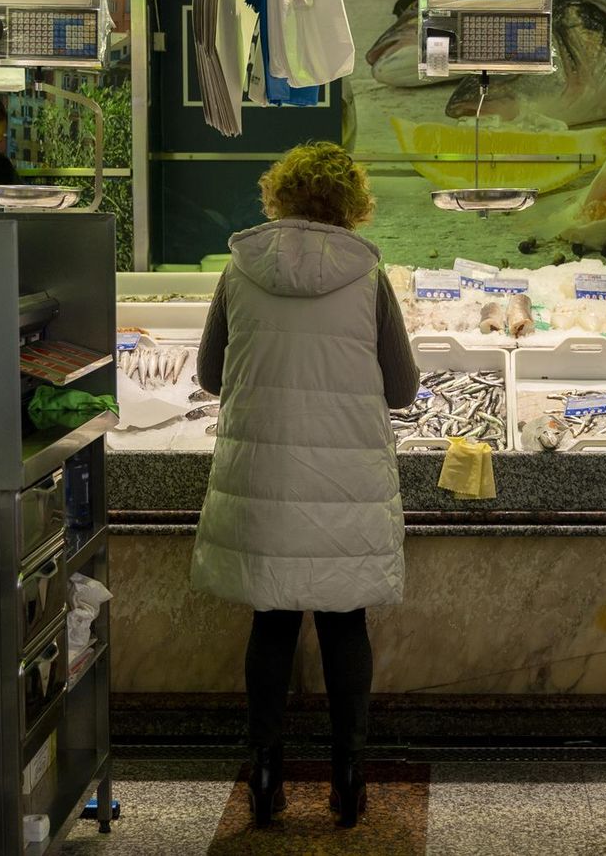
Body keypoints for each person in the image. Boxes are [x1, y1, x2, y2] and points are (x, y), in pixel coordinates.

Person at [189, 142, 418, 829]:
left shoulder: (240, 269)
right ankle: (349, 777)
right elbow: (403, 386)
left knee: (273, 619)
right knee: (346, 622)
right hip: (345, 481)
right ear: (352, 203)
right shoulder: (367, 276)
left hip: (264, 478)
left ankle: (265, 773)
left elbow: (207, 373)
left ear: (279, 194)